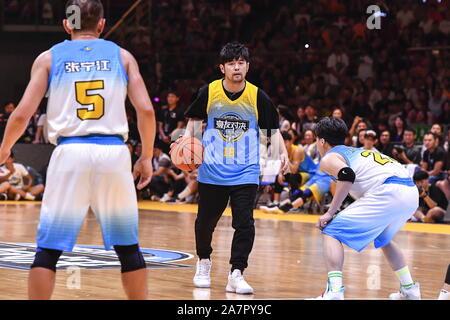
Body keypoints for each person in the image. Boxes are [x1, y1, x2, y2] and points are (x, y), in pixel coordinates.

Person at [0, 0, 156, 300]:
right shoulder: (122, 57)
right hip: (114, 153)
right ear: (101, 24)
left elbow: (21, 114)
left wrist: (4, 149)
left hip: (70, 152)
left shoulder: (48, 58)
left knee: (48, 251)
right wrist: (146, 156)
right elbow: (146, 111)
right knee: (128, 248)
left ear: (66, 24)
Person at [177, 42, 288, 294]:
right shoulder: (209, 91)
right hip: (212, 169)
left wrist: (281, 155)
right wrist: (188, 149)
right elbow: (194, 122)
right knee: (205, 222)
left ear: (248, 66)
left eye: (241, 63)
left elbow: (272, 130)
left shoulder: (258, 96)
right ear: (222, 67)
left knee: (245, 223)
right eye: (231, 63)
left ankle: (236, 272)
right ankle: (203, 261)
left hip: (245, 170)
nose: (236, 67)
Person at [311, 117, 420, 300]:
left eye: (316, 139)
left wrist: (330, 212)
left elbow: (347, 175)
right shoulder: (357, 151)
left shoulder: (330, 157)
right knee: (383, 238)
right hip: (410, 192)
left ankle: (335, 291)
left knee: (331, 231)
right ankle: (409, 289)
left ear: (322, 140)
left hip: (389, 191)